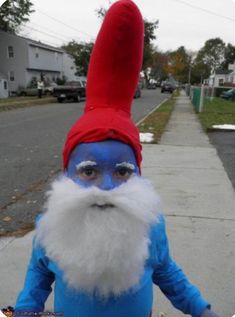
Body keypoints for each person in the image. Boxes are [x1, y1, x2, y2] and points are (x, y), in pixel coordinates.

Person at [14, 1, 220, 317]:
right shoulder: (51, 227)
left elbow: (167, 273)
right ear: (67, 173)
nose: (106, 186)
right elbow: (38, 276)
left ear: (138, 173)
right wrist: (25, 309)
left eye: (123, 171)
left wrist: (201, 309)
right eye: (89, 171)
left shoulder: (149, 227)